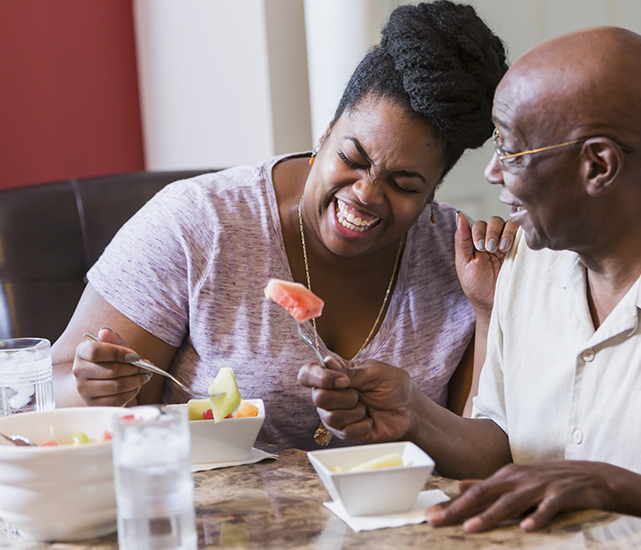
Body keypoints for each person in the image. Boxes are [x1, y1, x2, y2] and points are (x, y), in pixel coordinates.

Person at [298, 26, 641, 547]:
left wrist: (613, 488)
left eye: (513, 151)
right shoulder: (528, 259)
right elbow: (504, 445)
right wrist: (414, 414)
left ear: (598, 165)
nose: (493, 173)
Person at [50, 0, 514, 450]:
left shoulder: (463, 262)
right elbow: (50, 390)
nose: (366, 194)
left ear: (433, 190)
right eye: (352, 158)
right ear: (325, 132)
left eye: (405, 184)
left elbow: (477, 455)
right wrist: (89, 388)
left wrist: (489, 311)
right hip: (212, 523)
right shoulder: (199, 223)